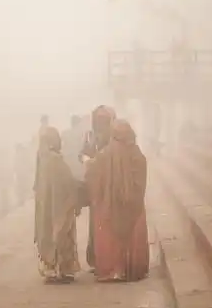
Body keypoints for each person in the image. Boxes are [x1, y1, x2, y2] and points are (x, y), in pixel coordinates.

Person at [86, 119, 149, 282]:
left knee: (110, 237)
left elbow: (93, 176)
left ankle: (112, 269)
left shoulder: (104, 154)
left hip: (109, 206)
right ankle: (129, 269)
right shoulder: (136, 154)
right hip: (132, 207)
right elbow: (141, 179)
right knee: (131, 236)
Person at [34, 126, 81, 283]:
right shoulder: (55, 160)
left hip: (45, 206)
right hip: (58, 205)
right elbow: (68, 181)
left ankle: (51, 268)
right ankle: (63, 269)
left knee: (48, 233)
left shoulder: (42, 159)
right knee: (61, 233)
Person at [79, 105, 116, 270]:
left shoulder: (115, 137)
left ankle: (109, 258)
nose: (100, 124)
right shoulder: (90, 136)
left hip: (111, 186)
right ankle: (97, 257)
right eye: (98, 120)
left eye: (103, 121)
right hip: (96, 186)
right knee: (96, 223)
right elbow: (83, 153)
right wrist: (86, 159)